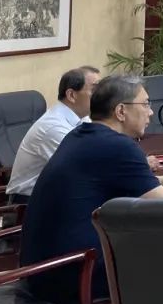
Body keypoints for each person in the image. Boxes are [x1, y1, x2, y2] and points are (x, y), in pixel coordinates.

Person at [20, 75, 163, 304]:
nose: (150, 112)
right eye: (145, 104)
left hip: (43, 270)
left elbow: (133, 184)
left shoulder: (81, 135)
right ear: (121, 111)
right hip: (74, 274)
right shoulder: (118, 146)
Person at [6, 66, 100, 204]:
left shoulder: (83, 118)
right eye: (95, 90)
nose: (101, 96)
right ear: (71, 95)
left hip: (60, 194)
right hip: (30, 204)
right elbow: (87, 168)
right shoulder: (53, 128)